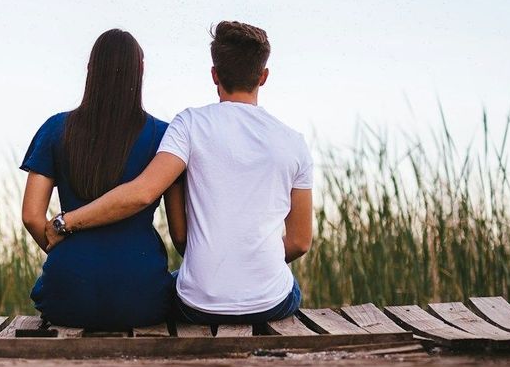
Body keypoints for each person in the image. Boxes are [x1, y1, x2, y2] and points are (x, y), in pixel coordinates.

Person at [45, 20, 313, 326]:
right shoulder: (294, 142)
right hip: (270, 302)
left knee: (173, 282)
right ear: (263, 77)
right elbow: (300, 242)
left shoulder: (188, 125)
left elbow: (153, 202)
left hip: (198, 304)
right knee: (289, 287)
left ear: (214, 74)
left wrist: (66, 221)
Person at [20, 28, 185, 329]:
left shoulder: (55, 129)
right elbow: (180, 234)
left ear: (89, 70)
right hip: (141, 296)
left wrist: (68, 252)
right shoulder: (165, 137)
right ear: (141, 71)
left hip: (67, 297)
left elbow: (32, 216)